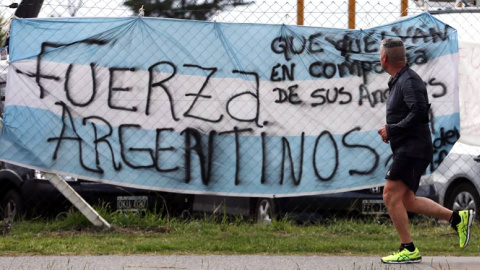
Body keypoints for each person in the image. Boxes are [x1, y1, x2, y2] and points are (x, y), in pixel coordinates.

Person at [377, 38, 474, 264]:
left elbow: (419, 113)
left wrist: (392, 129)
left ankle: (408, 248)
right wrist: (392, 130)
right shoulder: (400, 80)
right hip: (410, 148)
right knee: (407, 200)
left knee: (390, 195)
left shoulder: (408, 81)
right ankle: (457, 218)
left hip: (412, 149)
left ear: (384, 58)